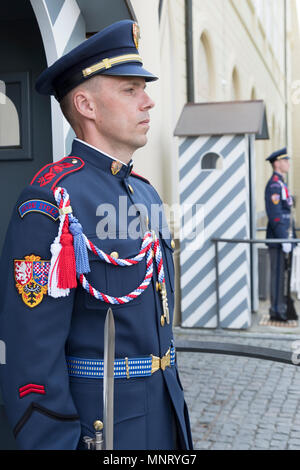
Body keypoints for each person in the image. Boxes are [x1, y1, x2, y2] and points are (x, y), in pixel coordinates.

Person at [0, 20, 193, 450]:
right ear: (86, 104)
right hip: (103, 429)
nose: (148, 101)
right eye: (130, 89)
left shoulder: (145, 194)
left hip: (164, 416)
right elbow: (31, 358)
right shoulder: (50, 202)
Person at [265, 147, 295, 322]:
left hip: (283, 237)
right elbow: (275, 215)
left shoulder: (281, 183)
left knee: (282, 275)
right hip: (278, 238)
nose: (288, 163)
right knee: (277, 275)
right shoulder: (275, 185)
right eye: (285, 160)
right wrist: (284, 237)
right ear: (277, 163)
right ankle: (276, 310)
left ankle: (280, 308)